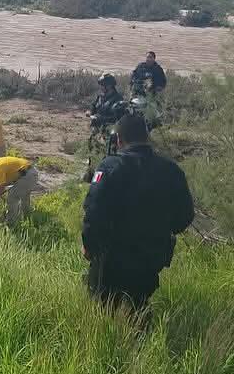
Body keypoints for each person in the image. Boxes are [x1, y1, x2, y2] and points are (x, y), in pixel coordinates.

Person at [81, 112, 194, 317]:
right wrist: (161, 231)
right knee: (138, 306)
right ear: (146, 137)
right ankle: (142, 343)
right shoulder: (171, 170)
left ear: (119, 139)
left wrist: (89, 246)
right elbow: (185, 215)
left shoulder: (110, 167)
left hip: (112, 258)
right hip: (151, 257)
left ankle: (112, 347)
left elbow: (93, 213)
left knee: (103, 311)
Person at [0, 154, 39, 224]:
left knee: (12, 197)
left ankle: (11, 223)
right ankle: (26, 215)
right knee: (24, 195)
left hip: (27, 176)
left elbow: (0, 191)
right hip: (28, 172)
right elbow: (1, 185)